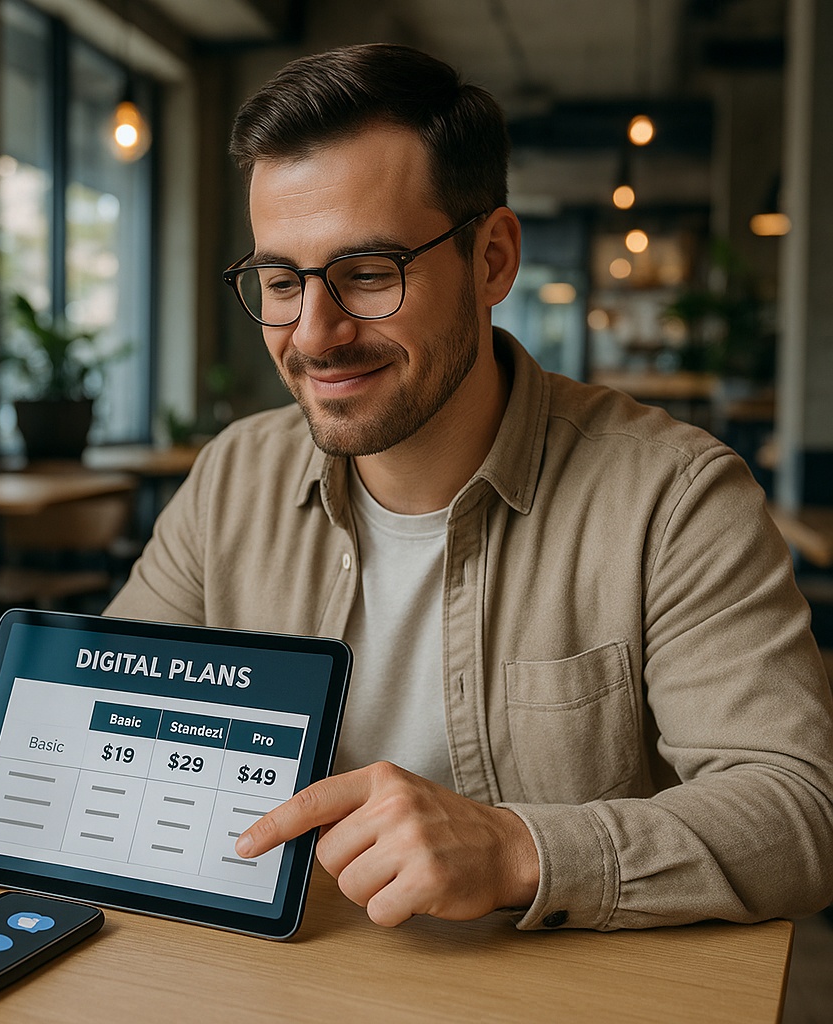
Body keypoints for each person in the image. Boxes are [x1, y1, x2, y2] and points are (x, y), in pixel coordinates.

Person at [107, 43, 833, 931]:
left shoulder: (673, 499)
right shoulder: (233, 477)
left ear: (492, 259)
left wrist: (515, 850)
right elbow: (113, 724)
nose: (315, 332)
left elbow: (800, 815)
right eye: (281, 280)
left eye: (368, 273)